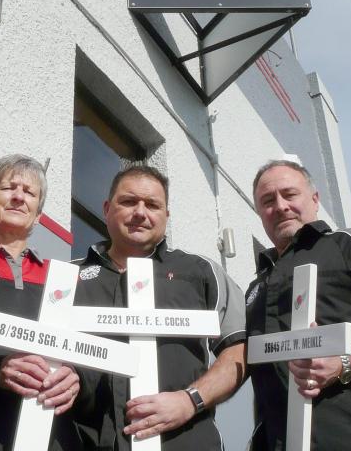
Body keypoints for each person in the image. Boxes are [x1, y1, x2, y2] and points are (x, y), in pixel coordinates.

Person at [72, 165, 247, 450]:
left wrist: (191, 400)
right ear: (106, 208)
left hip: (186, 442)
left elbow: (239, 349)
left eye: (152, 204)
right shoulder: (68, 278)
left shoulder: (201, 273)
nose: (140, 212)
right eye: (128, 201)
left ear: (166, 215)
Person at [246, 159, 351, 450]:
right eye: (268, 200)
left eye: (290, 194)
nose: (281, 206)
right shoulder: (256, 286)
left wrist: (343, 363)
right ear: (259, 212)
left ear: (314, 199)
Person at [0, 154, 81, 450]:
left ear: (38, 215)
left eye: (29, 192)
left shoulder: (61, 280)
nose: (19, 197)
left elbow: (85, 349)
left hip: (52, 437)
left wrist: (77, 377)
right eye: (8, 188)